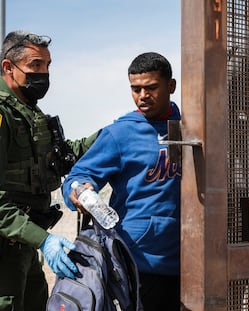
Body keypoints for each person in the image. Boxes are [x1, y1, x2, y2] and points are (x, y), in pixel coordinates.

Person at [61, 52, 182, 311]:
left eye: (151, 88)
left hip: (191, 262)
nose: (142, 96)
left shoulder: (192, 129)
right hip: (139, 265)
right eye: (136, 89)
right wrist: (80, 191)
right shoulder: (120, 134)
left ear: (171, 86)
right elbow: (77, 177)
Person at [0, 30, 97, 311]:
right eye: (35, 66)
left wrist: (110, 135)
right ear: (8, 67)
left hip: (26, 244)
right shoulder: (3, 114)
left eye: (47, 65)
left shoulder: (30, 112)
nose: (43, 74)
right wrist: (44, 241)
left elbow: (62, 156)